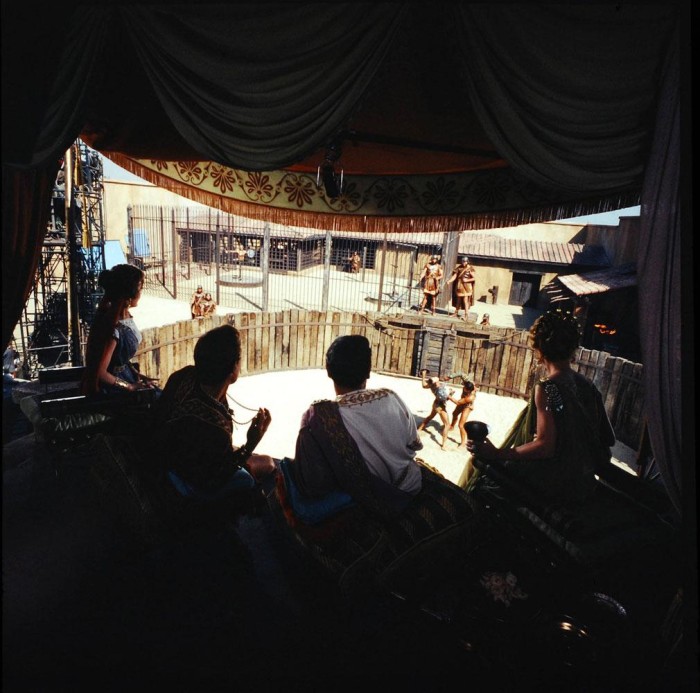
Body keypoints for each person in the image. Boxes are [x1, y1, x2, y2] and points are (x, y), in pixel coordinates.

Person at [466, 309, 616, 505]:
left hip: (557, 483)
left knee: (478, 475)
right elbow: (608, 438)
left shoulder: (549, 388)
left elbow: (545, 446)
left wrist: (497, 454)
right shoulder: (587, 385)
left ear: (539, 349)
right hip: (583, 481)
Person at [290, 335, 423, 516]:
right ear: (368, 371)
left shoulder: (317, 417)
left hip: (366, 505)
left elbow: (312, 482)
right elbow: (415, 444)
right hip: (410, 487)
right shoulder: (391, 396)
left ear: (328, 370)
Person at [152, 324, 276, 503]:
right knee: (263, 467)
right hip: (186, 484)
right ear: (233, 370)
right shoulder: (215, 428)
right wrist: (250, 444)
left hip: (164, 463)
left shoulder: (182, 376)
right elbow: (220, 475)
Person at [81, 264, 159, 395]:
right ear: (129, 294)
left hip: (128, 375)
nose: (141, 292)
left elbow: (120, 359)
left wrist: (136, 374)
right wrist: (130, 387)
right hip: (114, 388)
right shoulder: (114, 328)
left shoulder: (125, 318)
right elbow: (100, 373)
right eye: (139, 288)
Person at [417, 369, 454, 450]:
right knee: (447, 425)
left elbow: (423, 385)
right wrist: (451, 393)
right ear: (436, 383)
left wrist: (423, 375)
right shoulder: (439, 389)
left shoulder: (431, 386)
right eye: (437, 381)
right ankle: (444, 445)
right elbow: (445, 398)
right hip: (440, 406)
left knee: (430, 416)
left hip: (435, 404)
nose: (438, 382)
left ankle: (419, 429)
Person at [448, 378, 477, 449]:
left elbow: (458, 402)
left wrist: (449, 396)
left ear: (469, 390)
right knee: (454, 414)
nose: (463, 388)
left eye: (465, 388)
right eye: (464, 387)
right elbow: (461, 374)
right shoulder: (467, 384)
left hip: (467, 406)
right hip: (462, 402)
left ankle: (463, 443)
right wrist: (450, 377)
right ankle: (452, 426)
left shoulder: (470, 397)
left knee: (461, 425)